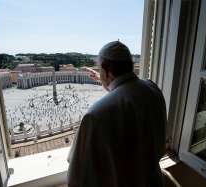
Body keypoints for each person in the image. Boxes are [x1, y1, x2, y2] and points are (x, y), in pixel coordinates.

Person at [67, 41, 167, 187]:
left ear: (106, 69)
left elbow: (77, 177)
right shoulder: (153, 89)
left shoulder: (95, 115)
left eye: (100, 69)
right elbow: (127, 93)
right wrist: (104, 80)